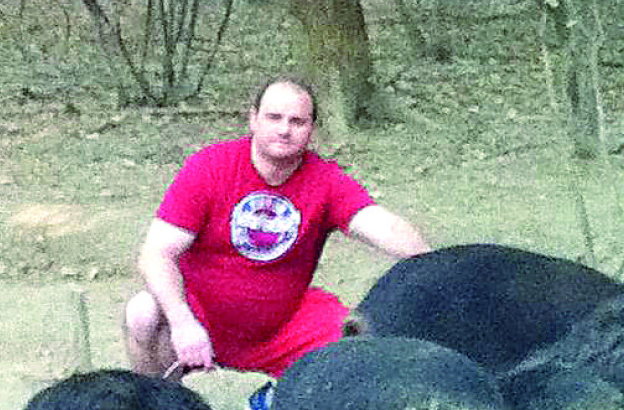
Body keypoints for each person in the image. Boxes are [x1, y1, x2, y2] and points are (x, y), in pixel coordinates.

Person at [124, 75, 431, 384]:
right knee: (143, 313)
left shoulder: (325, 180)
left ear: (311, 129)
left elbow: (378, 223)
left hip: (283, 327)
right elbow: (156, 254)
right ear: (253, 119)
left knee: (358, 339)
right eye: (274, 118)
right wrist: (183, 323)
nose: (285, 130)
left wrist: (435, 262)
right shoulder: (209, 168)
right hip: (199, 318)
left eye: (297, 121)